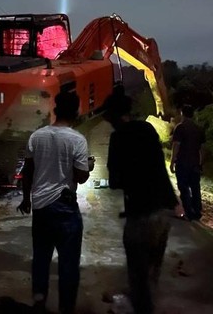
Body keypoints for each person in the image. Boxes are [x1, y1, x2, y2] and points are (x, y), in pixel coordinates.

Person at [102, 87, 179, 314]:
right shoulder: (147, 130)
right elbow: (160, 170)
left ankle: (142, 308)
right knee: (152, 271)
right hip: (162, 213)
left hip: (140, 215)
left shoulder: (118, 137)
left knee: (138, 273)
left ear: (113, 117)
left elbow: (115, 181)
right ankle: (147, 304)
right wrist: (175, 202)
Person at [16, 90, 94, 313]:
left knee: (41, 259)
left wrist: (26, 199)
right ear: (76, 112)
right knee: (68, 265)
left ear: (56, 110)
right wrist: (88, 166)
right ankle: (65, 308)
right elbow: (80, 177)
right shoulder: (77, 140)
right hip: (65, 208)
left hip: (41, 208)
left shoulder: (37, 136)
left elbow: (27, 171)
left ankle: (39, 301)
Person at [170, 104, 206, 221]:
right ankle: (197, 211)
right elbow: (202, 149)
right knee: (195, 188)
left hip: (183, 163)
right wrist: (200, 163)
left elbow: (176, 146)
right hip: (195, 163)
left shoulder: (180, 128)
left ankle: (188, 212)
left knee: (184, 187)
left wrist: (172, 161)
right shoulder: (199, 129)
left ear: (182, 114)